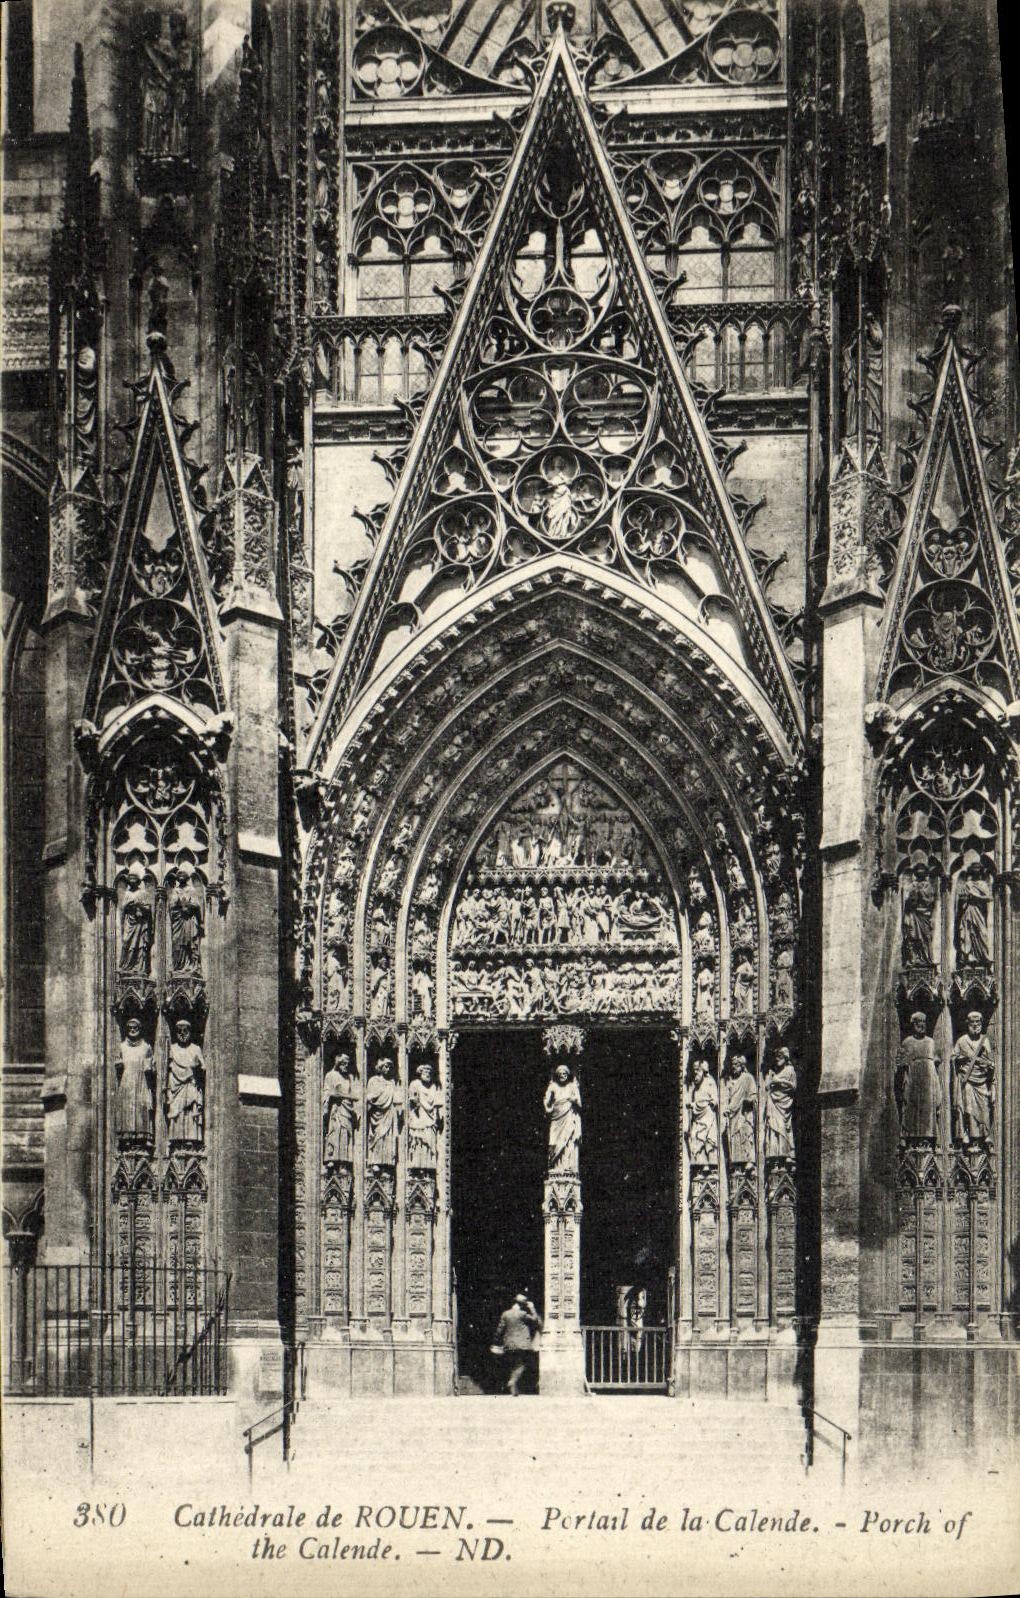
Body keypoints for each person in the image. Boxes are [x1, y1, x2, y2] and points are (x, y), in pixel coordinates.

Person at [491, 1292, 543, 1396]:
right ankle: (513, 1381)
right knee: (522, 1365)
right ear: (522, 1304)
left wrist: (496, 1341)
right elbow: (536, 1321)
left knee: (514, 1364)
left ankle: (514, 1388)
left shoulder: (505, 1314)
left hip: (509, 1344)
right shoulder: (522, 1314)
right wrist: (532, 1308)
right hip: (522, 1344)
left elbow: (499, 1330)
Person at [543, 1062, 581, 1174]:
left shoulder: (572, 1086)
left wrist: (573, 1099)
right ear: (557, 1075)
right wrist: (548, 1108)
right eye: (560, 1073)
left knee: (568, 1140)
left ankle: (568, 1167)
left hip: (568, 1115)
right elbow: (546, 1100)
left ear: (568, 1074)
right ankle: (554, 1167)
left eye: (565, 1073)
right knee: (553, 1141)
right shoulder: (553, 1086)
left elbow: (579, 1103)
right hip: (556, 1117)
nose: (562, 1075)